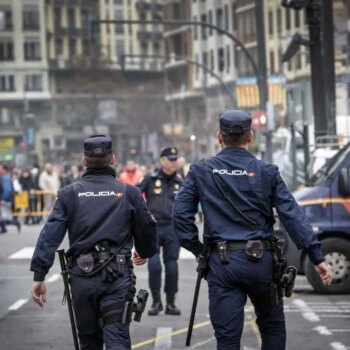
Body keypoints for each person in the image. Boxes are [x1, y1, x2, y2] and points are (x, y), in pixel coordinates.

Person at [173, 110, 333, 350]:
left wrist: (200, 251)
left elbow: (180, 216)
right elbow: (292, 215)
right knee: (272, 329)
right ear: (250, 136)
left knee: (227, 338)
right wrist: (316, 255)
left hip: (223, 264)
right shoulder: (267, 172)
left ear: (219, 137)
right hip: (263, 265)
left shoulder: (201, 171)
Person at [30, 134, 157, 350]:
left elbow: (49, 234)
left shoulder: (68, 194)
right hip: (117, 277)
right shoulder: (129, 193)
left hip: (82, 277)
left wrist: (39, 275)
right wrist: (144, 251)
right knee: (117, 338)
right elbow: (147, 228)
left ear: (83, 161)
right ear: (113, 159)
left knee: (89, 342)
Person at [137, 147, 183, 316]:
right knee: (154, 266)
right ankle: (156, 302)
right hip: (153, 227)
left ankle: (171, 303)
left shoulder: (180, 182)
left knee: (172, 265)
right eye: (170, 159)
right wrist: (142, 215)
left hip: (172, 228)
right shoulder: (150, 179)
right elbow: (135, 194)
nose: (174, 162)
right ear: (162, 161)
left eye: (175, 159)